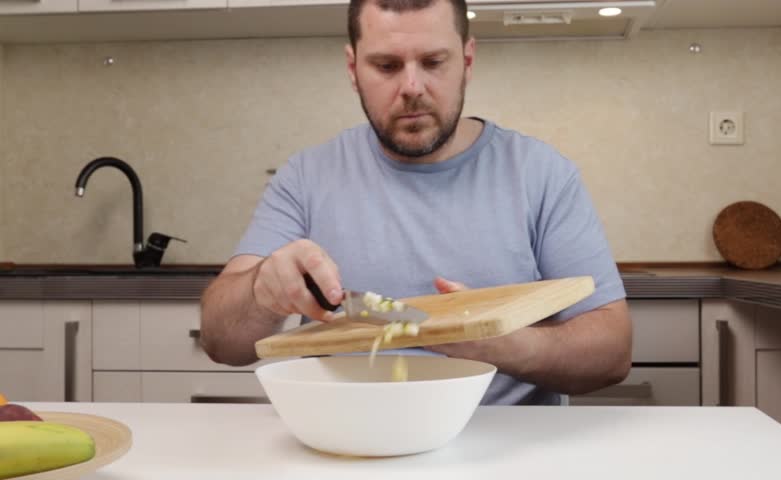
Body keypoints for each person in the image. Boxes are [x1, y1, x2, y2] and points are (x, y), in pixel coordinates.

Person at [200, 0, 632, 405]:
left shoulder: (542, 174)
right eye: (386, 66)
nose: (411, 87)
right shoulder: (305, 177)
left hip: (505, 451)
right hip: (347, 443)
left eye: (433, 62)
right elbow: (221, 341)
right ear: (353, 69)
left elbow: (612, 352)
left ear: (467, 60)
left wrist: (499, 342)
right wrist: (262, 289)